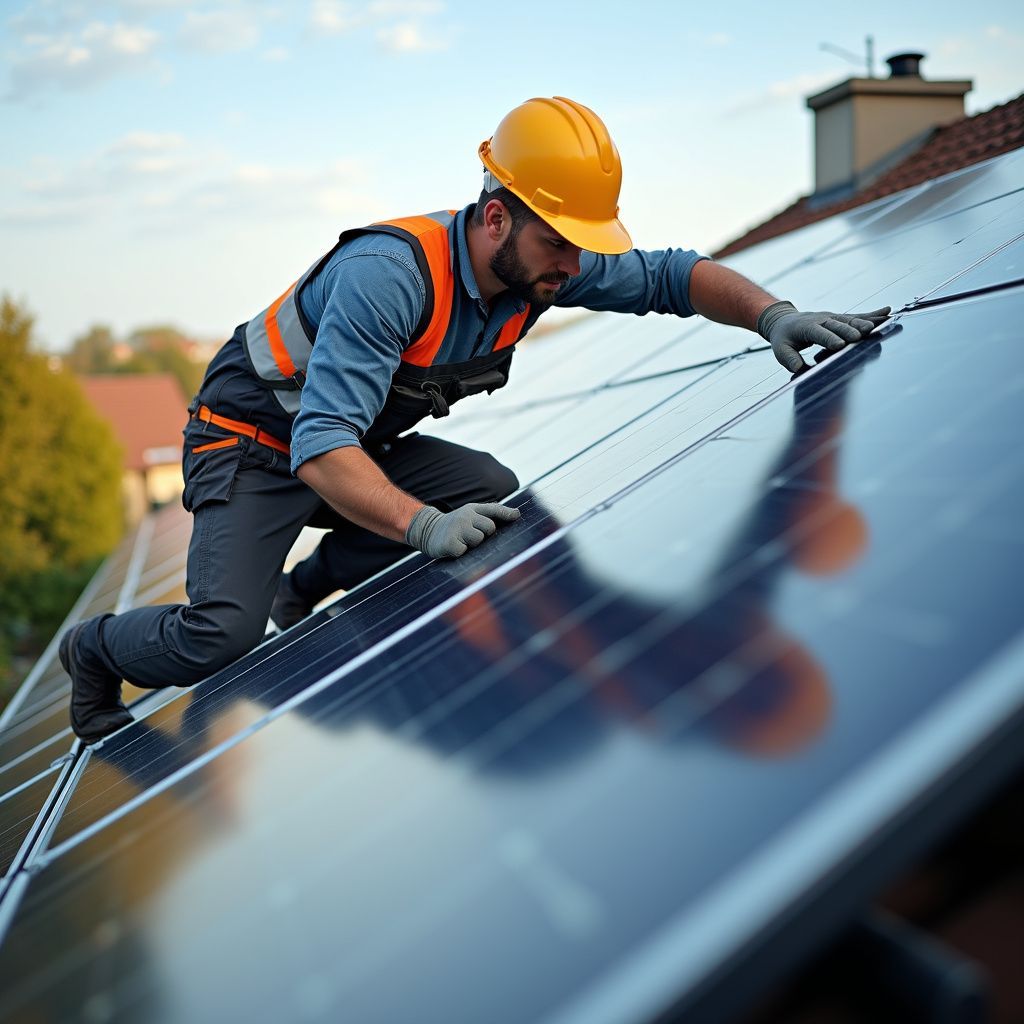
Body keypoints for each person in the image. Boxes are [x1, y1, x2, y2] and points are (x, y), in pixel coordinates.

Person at [59, 95, 890, 744]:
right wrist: (418, 526)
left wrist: (772, 316)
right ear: (498, 216)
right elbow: (318, 447)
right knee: (219, 635)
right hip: (255, 445)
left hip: (349, 443)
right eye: (560, 243)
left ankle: (303, 585)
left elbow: (673, 275)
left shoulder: (542, 264)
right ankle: (94, 650)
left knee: (491, 494)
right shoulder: (391, 275)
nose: (575, 265)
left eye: (581, 245)